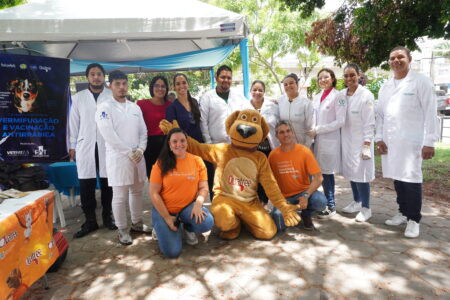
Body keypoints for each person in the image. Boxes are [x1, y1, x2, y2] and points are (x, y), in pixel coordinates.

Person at [376, 46, 437, 238]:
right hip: (391, 142)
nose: (396, 61)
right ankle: (402, 212)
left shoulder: (421, 82)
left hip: (412, 143)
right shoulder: (386, 86)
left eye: (400, 57)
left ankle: (414, 219)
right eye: (392, 58)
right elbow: (380, 116)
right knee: (398, 179)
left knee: (411, 180)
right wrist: (379, 138)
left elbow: (430, 112)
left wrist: (429, 141)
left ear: (409, 59)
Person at [96, 70, 150, 246]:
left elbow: (143, 131)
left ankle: (136, 223)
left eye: (124, 83)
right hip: (119, 158)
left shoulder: (135, 107)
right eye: (117, 84)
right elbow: (108, 134)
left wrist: (141, 149)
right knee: (119, 196)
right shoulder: (104, 107)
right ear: (109, 85)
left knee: (137, 191)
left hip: (138, 156)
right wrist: (128, 151)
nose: (121, 87)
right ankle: (122, 229)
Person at [149, 128, 214, 258]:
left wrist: (198, 204)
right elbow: (153, 193)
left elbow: (204, 187)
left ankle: (188, 227)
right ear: (169, 144)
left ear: (187, 142)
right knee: (172, 252)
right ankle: (160, 226)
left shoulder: (197, 161)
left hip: (187, 207)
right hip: (165, 210)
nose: (179, 144)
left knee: (207, 222)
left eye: (182, 140)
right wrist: (167, 217)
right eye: (175, 141)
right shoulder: (160, 163)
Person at [69, 63, 116, 238]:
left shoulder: (111, 95)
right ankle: (90, 221)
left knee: (108, 184)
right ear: (88, 77)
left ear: (104, 77)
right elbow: (73, 123)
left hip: (107, 145)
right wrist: (72, 145)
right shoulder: (78, 97)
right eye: (92, 74)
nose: (96, 77)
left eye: (99, 74)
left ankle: (108, 217)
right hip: (85, 145)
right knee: (86, 185)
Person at [199, 65, 252, 196]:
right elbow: (203, 122)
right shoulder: (207, 97)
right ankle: (218, 212)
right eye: (222, 77)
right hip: (216, 147)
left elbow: (250, 114)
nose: (226, 80)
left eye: (229, 77)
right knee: (217, 183)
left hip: (236, 147)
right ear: (216, 78)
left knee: (236, 181)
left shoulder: (238, 96)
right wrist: (210, 147)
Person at [269, 121, 327, 231]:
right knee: (279, 224)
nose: (286, 134)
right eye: (281, 132)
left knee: (321, 201)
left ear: (293, 133)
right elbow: (270, 181)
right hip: (284, 198)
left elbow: (319, 178)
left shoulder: (304, 151)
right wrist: (279, 201)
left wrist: (306, 196)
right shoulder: (273, 155)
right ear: (276, 136)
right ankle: (290, 211)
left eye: (288, 131)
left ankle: (306, 214)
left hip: (303, 193)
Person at [307, 68, 346, 219]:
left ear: (333, 78)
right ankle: (321, 203)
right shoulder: (317, 97)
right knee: (319, 172)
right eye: (320, 78)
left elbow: (340, 121)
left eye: (326, 77)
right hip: (317, 141)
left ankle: (331, 206)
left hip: (330, 140)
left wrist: (318, 129)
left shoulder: (339, 96)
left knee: (327, 173)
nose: (323, 80)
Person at [340, 63, 375, 222]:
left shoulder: (366, 95)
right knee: (351, 171)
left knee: (362, 173)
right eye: (346, 75)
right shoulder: (341, 95)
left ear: (359, 75)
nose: (349, 78)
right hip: (346, 139)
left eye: (352, 75)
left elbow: (369, 122)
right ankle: (356, 201)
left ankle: (366, 208)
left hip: (362, 140)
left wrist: (367, 144)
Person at [249, 80, 278, 205]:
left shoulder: (272, 106)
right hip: (253, 149)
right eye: (254, 90)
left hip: (270, 148)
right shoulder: (245, 106)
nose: (257, 92)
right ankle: (260, 202)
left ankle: (269, 202)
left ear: (264, 92)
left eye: (260, 90)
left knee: (269, 176)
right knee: (256, 176)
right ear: (250, 91)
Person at [136, 75, 171, 176]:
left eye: (163, 86)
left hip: (167, 145)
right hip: (149, 145)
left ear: (166, 89)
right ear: (152, 87)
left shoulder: (171, 105)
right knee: (153, 177)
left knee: (168, 177)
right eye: (157, 85)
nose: (160, 88)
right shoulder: (141, 104)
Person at [276, 73, 314, 148]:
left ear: (297, 84)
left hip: (302, 144)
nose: (288, 86)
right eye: (285, 84)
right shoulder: (281, 100)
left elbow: (310, 127)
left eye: (291, 83)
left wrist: (306, 147)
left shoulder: (306, 103)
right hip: (286, 144)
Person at [166, 73, 203, 143]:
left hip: (199, 145)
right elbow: (173, 133)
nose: (181, 86)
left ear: (188, 84)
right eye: (178, 84)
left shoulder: (194, 102)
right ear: (174, 87)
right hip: (184, 146)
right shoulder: (172, 108)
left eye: (184, 83)